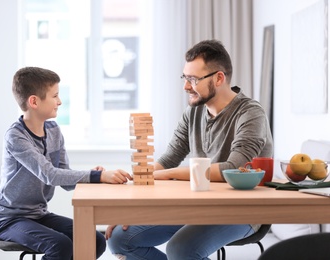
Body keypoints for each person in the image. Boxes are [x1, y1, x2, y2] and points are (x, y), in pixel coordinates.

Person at [105, 39, 273, 260]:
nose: (186, 86)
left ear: (219, 78)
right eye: (185, 78)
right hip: (199, 204)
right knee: (119, 238)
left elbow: (234, 169)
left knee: (180, 249)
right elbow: (168, 159)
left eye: (193, 79)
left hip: (241, 210)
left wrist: (167, 174)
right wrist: (132, 203)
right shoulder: (193, 113)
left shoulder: (250, 113)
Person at [0, 67, 132, 260]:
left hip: (38, 214)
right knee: (60, 246)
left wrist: (94, 176)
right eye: (55, 96)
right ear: (34, 101)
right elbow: (50, 174)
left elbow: (64, 178)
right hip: (9, 219)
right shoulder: (16, 136)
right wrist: (97, 176)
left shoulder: (54, 131)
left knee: (95, 240)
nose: (60, 101)